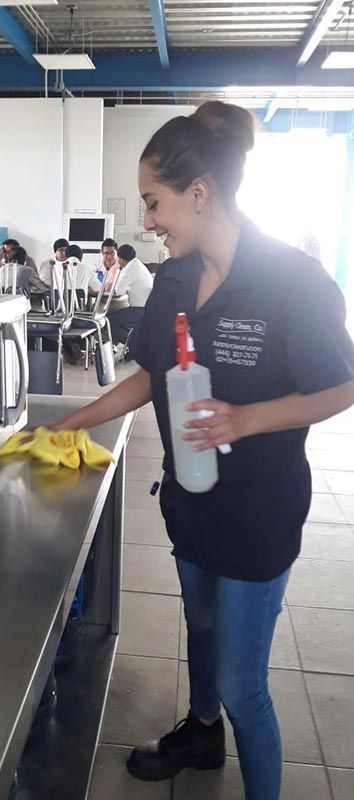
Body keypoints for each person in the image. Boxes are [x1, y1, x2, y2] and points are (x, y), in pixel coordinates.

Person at [44, 100, 354, 800]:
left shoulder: (292, 281)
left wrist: (246, 420)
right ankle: (201, 731)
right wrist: (77, 421)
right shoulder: (176, 279)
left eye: (154, 202)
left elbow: (342, 387)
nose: (147, 219)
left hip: (258, 515)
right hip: (191, 502)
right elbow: (152, 374)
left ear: (200, 193)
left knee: (247, 688)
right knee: (201, 625)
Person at [108, 244, 153, 360]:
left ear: (120, 258)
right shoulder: (138, 265)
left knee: (109, 321)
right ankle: (134, 347)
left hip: (140, 310)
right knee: (117, 318)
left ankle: (135, 345)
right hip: (147, 309)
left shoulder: (129, 268)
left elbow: (118, 290)